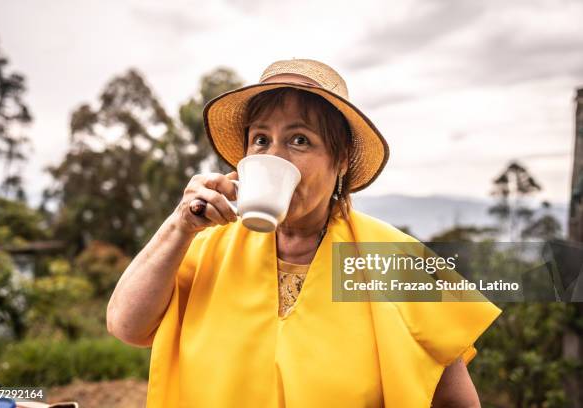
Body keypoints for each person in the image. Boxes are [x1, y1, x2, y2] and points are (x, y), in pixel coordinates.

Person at [106, 58, 502, 407]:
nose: (274, 156)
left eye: (300, 140)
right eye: (261, 140)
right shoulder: (203, 247)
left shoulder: (395, 261)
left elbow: (454, 401)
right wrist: (179, 224)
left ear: (341, 160)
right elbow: (127, 325)